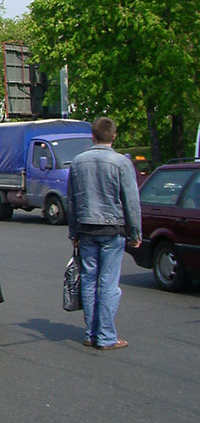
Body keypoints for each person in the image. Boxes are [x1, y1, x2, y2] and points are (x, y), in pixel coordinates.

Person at [67, 116, 142, 350]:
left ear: (93, 136)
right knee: (108, 284)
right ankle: (107, 336)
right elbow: (131, 201)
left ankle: (91, 333)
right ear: (114, 136)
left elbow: (72, 201)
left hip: (86, 228)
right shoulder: (121, 163)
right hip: (112, 229)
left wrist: (73, 232)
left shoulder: (78, 162)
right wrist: (135, 233)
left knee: (89, 281)